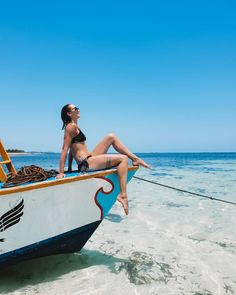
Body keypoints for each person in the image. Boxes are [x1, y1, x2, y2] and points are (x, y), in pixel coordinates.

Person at [56, 103, 151, 215]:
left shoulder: (74, 126)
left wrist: (71, 167)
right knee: (123, 159)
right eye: (75, 108)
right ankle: (123, 195)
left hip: (89, 158)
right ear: (69, 113)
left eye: (77, 107)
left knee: (111, 137)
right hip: (87, 163)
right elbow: (65, 149)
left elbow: (73, 148)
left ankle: (135, 159)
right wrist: (61, 172)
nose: (78, 109)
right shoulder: (70, 127)